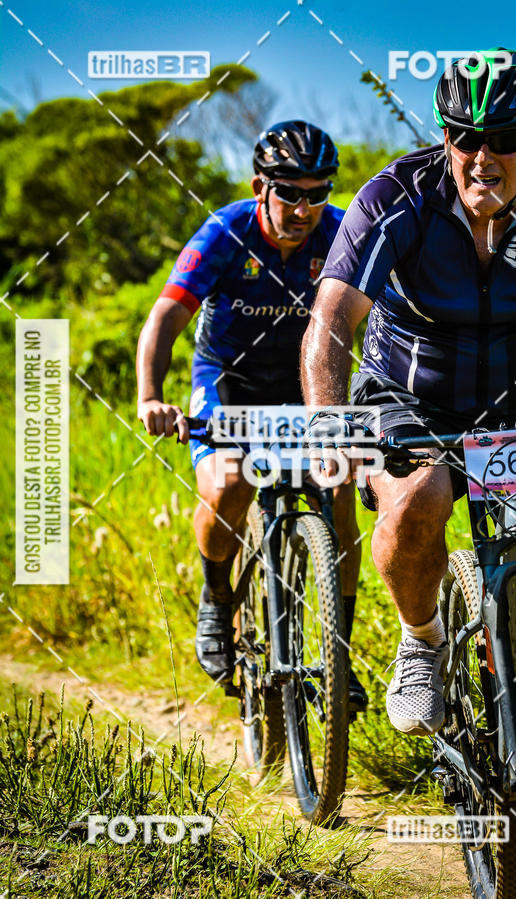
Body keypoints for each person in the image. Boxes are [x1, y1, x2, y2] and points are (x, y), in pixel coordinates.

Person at [301, 50, 516, 735]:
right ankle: (423, 636)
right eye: (465, 137)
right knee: (414, 503)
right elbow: (331, 322)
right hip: (413, 386)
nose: (481, 158)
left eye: (502, 140)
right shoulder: (398, 196)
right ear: (445, 139)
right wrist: (327, 423)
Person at [136, 120, 366, 709]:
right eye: (290, 191)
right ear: (260, 185)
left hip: (305, 384)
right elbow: (165, 317)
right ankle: (216, 604)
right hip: (228, 381)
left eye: (319, 193)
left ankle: (338, 652)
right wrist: (150, 397)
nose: (304, 207)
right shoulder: (225, 231)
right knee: (231, 483)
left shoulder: (341, 234)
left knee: (340, 497)